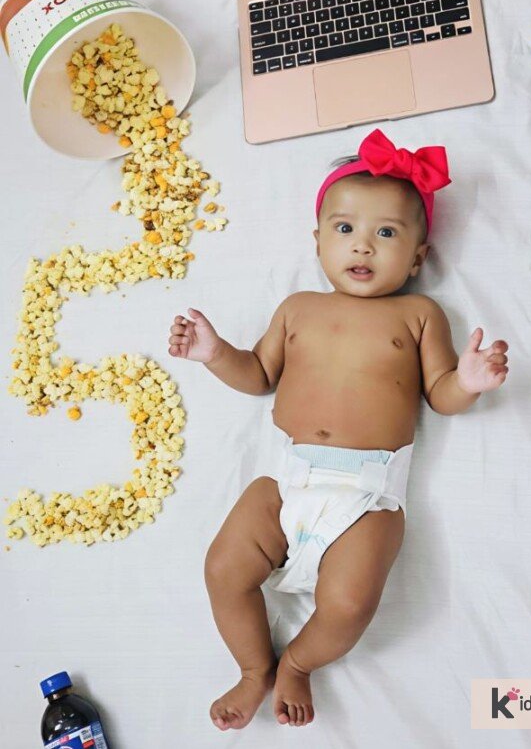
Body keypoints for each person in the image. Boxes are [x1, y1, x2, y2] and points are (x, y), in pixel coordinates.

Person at [168, 127, 509, 730]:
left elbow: (440, 394)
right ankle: (253, 668)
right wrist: (215, 353)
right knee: (223, 568)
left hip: (367, 498)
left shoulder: (419, 314)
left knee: (349, 604)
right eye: (345, 228)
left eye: (387, 233)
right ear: (318, 240)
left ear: (419, 257)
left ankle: (298, 662)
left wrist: (469, 380)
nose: (364, 246)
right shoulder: (297, 308)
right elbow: (258, 374)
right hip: (286, 482)